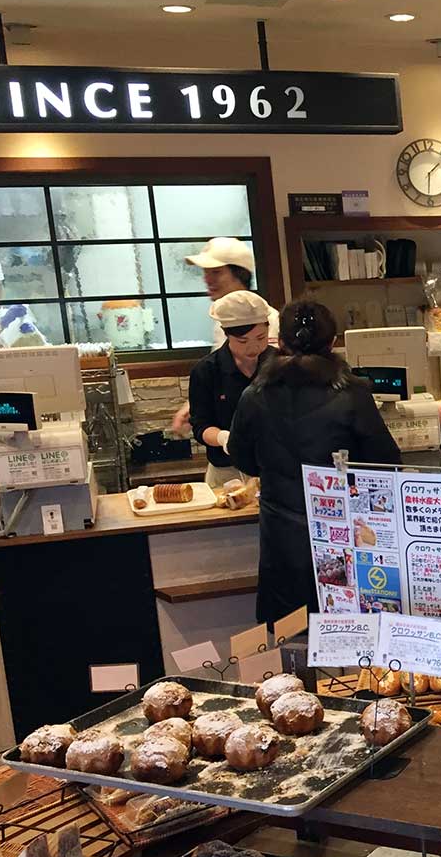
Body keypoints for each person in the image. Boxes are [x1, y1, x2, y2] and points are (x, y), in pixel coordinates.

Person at [228, 299, 401, 626]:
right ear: (332, 342)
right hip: (346, 533)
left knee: (289, 630)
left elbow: (243, 459)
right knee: (350, 627)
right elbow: (386, 462)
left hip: (282, 535)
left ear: (280, 342)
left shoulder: (255, 394)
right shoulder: (352, 393)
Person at [169, 238, 278, 434]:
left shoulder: (266, 320)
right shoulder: (223, 322)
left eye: (216, 272)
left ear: (240, 274)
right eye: (205, 272)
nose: (207, 279)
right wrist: (192, 406)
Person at [187, 291, 276, 488]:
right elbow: (201, 426)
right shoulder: (206, 370)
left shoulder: (280, 363)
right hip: (226, 472)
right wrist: (223, 438)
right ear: (226, 334)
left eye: (261, 337)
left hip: (275, 468)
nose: (253, 347)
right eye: (243, 341)